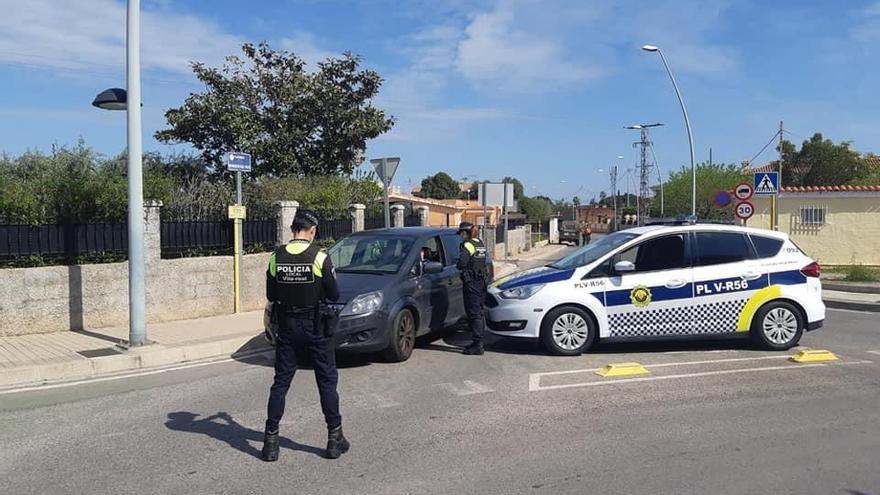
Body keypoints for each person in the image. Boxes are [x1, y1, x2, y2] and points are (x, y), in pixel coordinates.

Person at [262, 208, 349, 462]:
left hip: (287, 326)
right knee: (326, 382)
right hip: (316, 327)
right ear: (312, 231)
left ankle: (270, 442)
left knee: (280, 383)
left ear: (292, 230)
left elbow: (271, 295)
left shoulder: (276, 257)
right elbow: (334, 295)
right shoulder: (320, 257)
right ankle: (334, 439)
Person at [456, 222, 489, 355]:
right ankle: (479, 341)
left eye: (462, 233)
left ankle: (478, 345)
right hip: (481, 281)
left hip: (472, 283)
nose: (461, 236)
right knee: (479, 312)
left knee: (473, 313)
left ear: (466, 233)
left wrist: (458, 263)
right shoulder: (480, 243)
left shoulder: (468, 245)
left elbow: (462, 263)